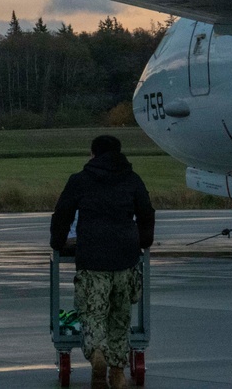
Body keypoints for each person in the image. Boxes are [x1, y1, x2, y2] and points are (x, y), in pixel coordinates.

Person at [50, 135, 155, 389]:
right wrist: (144, 241)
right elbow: (146, 212)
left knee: (93, 313)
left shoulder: (80, 180)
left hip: (92, 257)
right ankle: (117, 371)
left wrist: (58, 242)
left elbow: (62, 213)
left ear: (93, 154)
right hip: (125, 257)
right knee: (119, 316)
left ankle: (98, 354)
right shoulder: (132, 179)